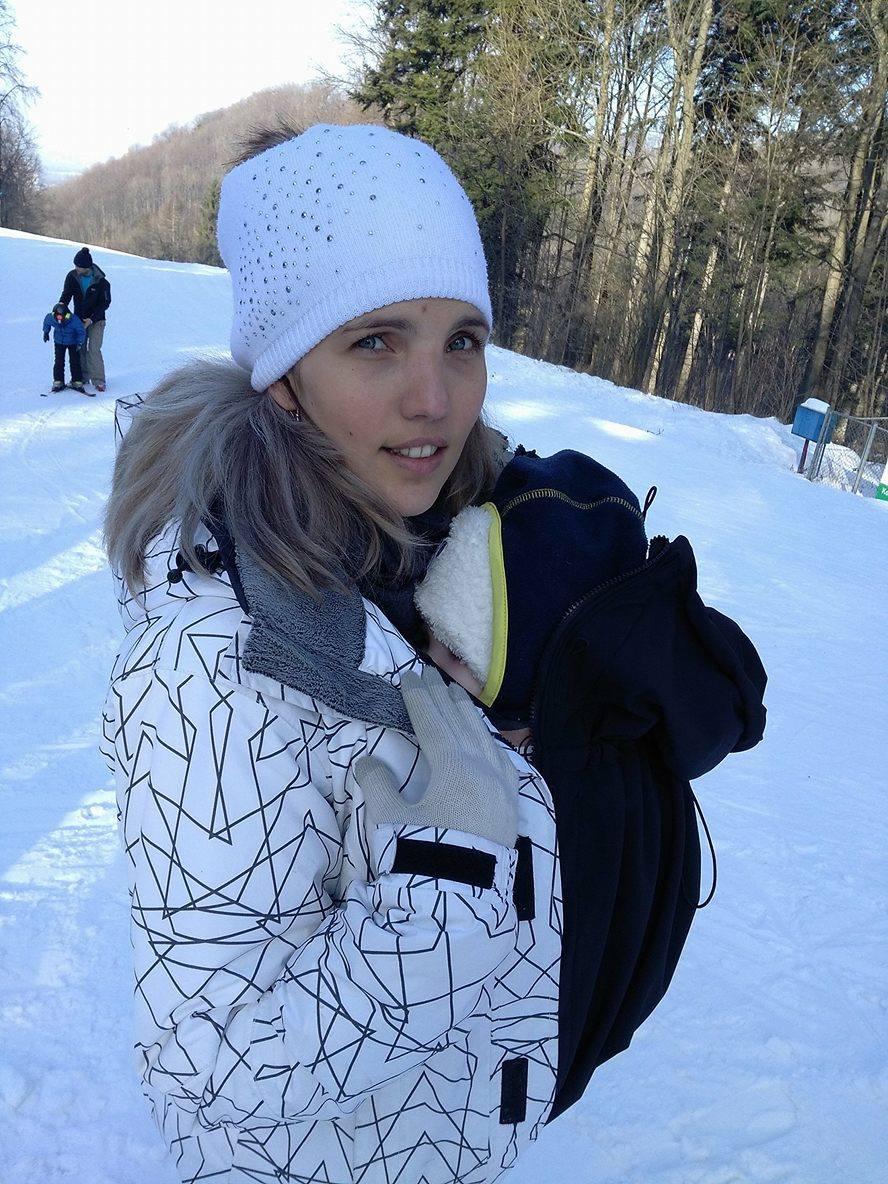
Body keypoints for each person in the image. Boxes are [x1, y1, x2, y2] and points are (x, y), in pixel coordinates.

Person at [102, 123, 766, 1184]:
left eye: (462, 339)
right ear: (283, 376)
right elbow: (213, 1061)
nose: (436, 398)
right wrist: (451, 868)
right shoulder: (211, 662)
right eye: (376, 341)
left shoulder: (455, 539)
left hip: (447, 1137)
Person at [59, 246, 111, 391]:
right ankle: (81, 377)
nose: (76, 268)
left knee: (93, 349)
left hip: (97, 320)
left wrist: (91, 319)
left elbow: (105, 303)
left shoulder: (102, 282)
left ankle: (99, 380)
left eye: (79, 266)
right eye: (75, 265)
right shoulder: (72, 276)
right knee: (79, 348)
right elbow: (66, 294)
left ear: (86, 267)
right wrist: (61, 306)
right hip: (79, 319)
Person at [42, 302, 86, 392]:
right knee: (59, 361)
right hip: (59, 342)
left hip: (73, 343)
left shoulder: (74, 320)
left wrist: (80, 342)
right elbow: (47, 321)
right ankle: (58, 381)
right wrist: (46, 332)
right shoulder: (51, 317)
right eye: (58, 317)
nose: (59, 319)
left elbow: (81, 332)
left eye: (61, 317)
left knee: (75, 361)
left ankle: (77, 381)